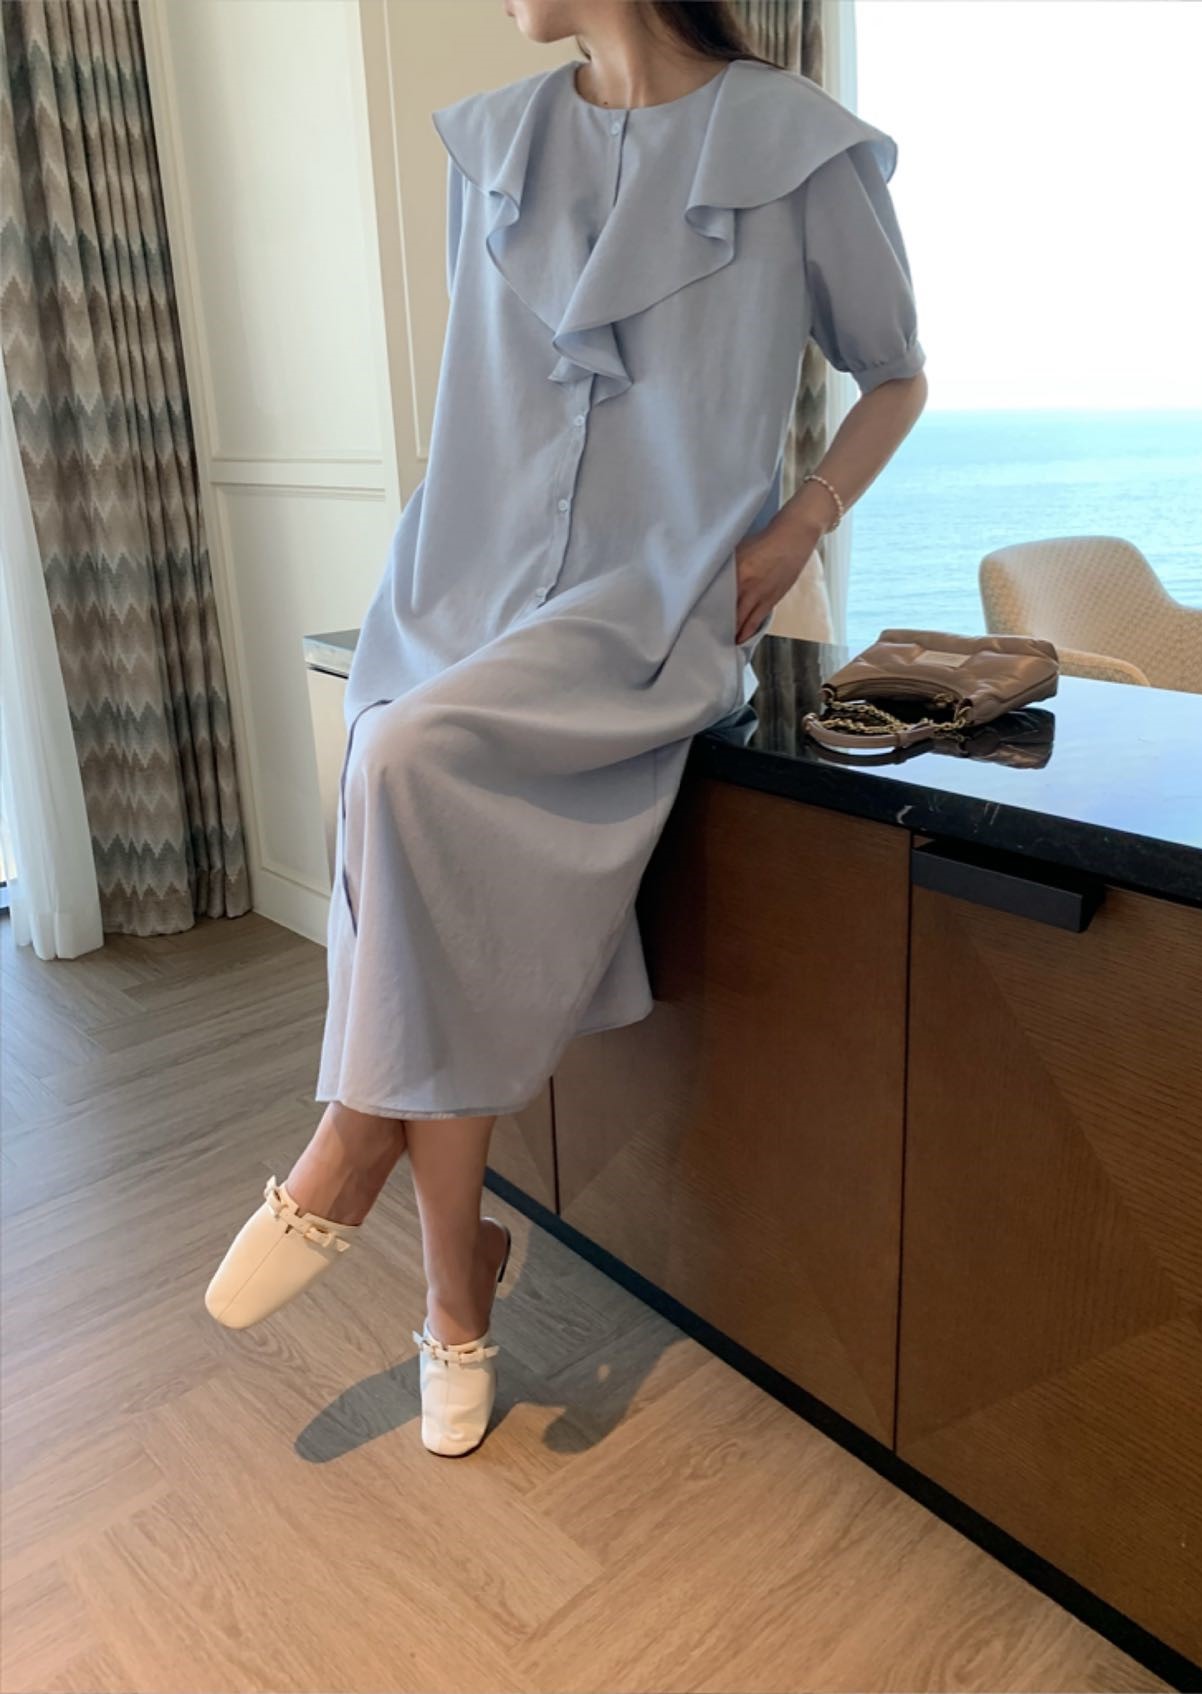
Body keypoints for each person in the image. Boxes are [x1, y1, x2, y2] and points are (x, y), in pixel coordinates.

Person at [204, 0, 928, 1457]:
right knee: (400, 781)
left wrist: (798, 527)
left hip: (643, 607)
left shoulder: (796, 148)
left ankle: (355, 1138)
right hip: (458, 586)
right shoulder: (495, 145)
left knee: (404, 762)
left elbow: (897, 374)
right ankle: (451, 1289)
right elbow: (490, 412)